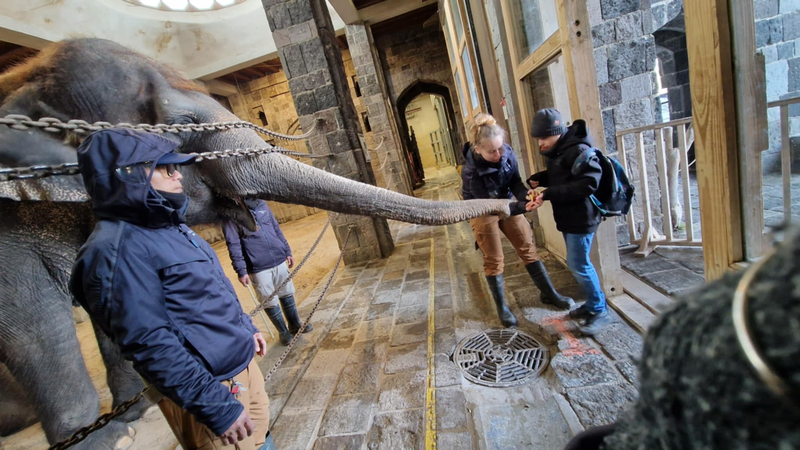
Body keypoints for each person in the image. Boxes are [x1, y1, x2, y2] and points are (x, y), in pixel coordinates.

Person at [69, 129, 273, 450]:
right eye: (165, 168)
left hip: (242, 368)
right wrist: (216, 407)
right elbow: (149, 342)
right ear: (129, 175)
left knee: (264, 442)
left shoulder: (169, 225)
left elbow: (210, 288)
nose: (177, 175)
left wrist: (245, 327)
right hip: (214, 389)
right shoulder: (115, 251)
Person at [462, 113, 574, 328]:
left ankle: (549, 293)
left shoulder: (507, 153)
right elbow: (490, 205)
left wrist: (526, 196)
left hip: (506, 202)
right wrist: (522, 206)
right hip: (481, 208)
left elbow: (515, 182)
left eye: (500, 147)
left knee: (527, 246)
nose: (498, 154)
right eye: (492, 151)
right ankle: (502, 308)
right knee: (494, 258)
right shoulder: (471, 172)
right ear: (478, 149)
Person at [527, 108, 611, 335]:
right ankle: (592, 305)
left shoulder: (579, 150)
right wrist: (540, 179)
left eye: (544, 137)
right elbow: (563, 176)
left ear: (557, 132)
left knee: (579, 264)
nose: (541, 143)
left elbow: (589, 183)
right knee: (578, 263)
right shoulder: (560, 150)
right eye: (538, 139)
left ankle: (600, 309)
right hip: (569, 217)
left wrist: (548, 193)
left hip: (581, 219)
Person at [223, 199, 312, 346]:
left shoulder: (262, 205)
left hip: (279, 258)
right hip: (258, 266)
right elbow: (233, 244)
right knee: (268, 300)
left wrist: (287, 250)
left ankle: (295, 324)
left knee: (286, 292)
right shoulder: (230, 215)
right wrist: (241, 270)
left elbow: (276, 228)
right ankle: (283, 331)